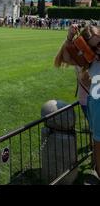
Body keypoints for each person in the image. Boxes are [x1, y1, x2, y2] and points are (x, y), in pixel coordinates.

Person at [54, 24, 100, 182]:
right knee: (97, 138)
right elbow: (63, 59)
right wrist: (69, 38)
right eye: (94, 46)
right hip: (91, 100)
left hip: (91, 98)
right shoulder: (87, 60)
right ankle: (96, 166)